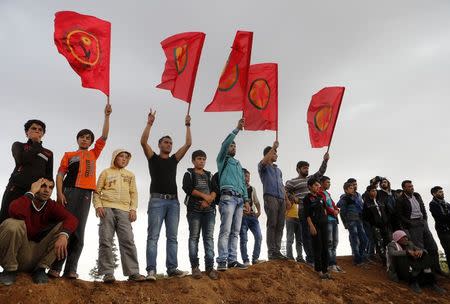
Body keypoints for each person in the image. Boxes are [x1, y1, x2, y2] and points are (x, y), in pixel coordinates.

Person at [49, 104, 111, 279]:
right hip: (68, 192)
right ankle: (55, 267)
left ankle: (71, 269)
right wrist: (59, 193)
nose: (85, 140)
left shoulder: (93, 154)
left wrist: (106, 116)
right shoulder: (69, 154)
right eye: (82, 137)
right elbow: (60, 174)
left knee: (79, 230)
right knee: (64, 228)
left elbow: (104, 136)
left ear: (91, 142)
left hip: (85, 193)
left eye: (88, 138)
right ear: (77, 139)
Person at [141, 109, 191, 280]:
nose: (169, 144)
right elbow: (143, 141)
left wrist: (188, 125)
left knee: (173, 237)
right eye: (166, 142)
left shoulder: (174, 160)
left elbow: (188, 144)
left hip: (173, 203)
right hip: (156, 201)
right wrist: (149, 123)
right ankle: (151, 271)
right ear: (159, 145)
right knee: (153, 236)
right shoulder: (153, 158)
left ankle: (172, 269)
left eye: (170, 143)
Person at [0, 178, 78, 286]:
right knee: (12, 224)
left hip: (36, 257)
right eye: (43, 186)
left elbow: (72, 219)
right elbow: (14, 210)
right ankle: (9, 270)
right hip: (19, 254)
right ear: (34, 186)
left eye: (51, 187)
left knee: (64, 228)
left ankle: (41, 269)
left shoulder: (51, 205)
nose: (47, 190)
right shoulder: (25, 199)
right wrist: (31, 193)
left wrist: (63, 236)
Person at [93, 149, 145, 283]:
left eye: (126, 157)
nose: (124, 159)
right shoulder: (106, 172)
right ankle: (108, 273)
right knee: (105, 240)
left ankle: (133, 272)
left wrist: (133, 209)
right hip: (107, 209)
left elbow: (134, 193)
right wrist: (98, 206)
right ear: (115, 157)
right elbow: (97, 192)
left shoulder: (130, 175)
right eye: (121, 156)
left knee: (128, 240)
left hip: (124, 211)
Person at [0, 120, 53, 224]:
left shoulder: (48, 153)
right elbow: (21, 160)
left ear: (43, 134)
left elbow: (49, 176)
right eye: (34, 128)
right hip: (15, 188)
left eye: (40, 130)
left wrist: (46, 191)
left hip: (35, 193)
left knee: (27, 223)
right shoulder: (19, 145)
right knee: (5, 219)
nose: (37, 131)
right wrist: (36, 144)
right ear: (26, 132)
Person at [216, 118, 250, 271]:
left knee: (236, 231)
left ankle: (232, 259)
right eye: (231, 145)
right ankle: (222, 260)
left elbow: (243, 183)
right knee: (226, 229)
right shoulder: (222, 160)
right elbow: (224, 144)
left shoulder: (238, 164)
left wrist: (247, 200)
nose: (233, 147)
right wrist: (236, 130)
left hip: (239, 199)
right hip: (228, 197)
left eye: (234, 145)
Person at [285, 152, 329, 265]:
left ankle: (317, 258)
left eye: (308, 168)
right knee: (306, 235)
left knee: (317, 234)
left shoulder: (311, 179)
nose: (307, 170)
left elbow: (321, 172)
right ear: (298, 169)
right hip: (303, 209)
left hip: (316, 210)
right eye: (304, 168)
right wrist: (292, 197)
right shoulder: (292, 181)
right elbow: (285, 190)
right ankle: (310, 259)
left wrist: (325, 161)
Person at [182, 150, 218, 280]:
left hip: (209, 211)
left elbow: (215, 189)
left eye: (203, 159)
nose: (201, 161)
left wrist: (209, 199)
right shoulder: (188, 174)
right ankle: (195, 267)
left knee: (208, 238)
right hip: (194, 210)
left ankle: (209, 268)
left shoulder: (209, 175)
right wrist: (204, 197)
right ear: (193, 160)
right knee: (194, 237)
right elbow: (187, 188)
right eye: (199, 159)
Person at [396, 180, 441, 275]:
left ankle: (437, 270)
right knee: (420, 248)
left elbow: (423, 207)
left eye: (412, 186)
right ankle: (424, 273)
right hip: (413, 224)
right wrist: (410, 223)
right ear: (404, 188)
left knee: (432, 246)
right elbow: (399, 215)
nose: (412, 188)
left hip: (423, 222)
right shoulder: (400, 199)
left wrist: (425, 219)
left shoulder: (417, 195)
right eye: (409, 186)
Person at [387, 230, 444, 294]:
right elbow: (392, 253)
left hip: (410, 266)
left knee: (424, 255)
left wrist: (420, 251)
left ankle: (431, 282)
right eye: (403, 237)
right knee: (404, 256)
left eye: (406, 237)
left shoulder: (409, 243)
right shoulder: (392, 245)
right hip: (400, 269)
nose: (406, 239)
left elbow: (422, 250)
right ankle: (413, 282)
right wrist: (407, 252)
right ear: (398, 239)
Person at [258, 141, 286, 260]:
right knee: (272, 223)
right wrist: (273, 147)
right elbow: (263, 161)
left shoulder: (278, 170)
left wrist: (287, 199)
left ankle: (277, 251)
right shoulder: (262, 166)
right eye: (274, 153)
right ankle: (271, 251)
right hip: (270, 196)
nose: (276, 155)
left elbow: (282, 185)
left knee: (280, 225)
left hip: (281, 199)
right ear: (268, 154)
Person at [304, 179, 330, 280]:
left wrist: (326, 219)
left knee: (325, 247)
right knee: (317, 247)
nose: (317, 187)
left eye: (318, 185)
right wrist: (311, 225)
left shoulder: (320, 197)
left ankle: (325, 270)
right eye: (315, 185)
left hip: (324, 224)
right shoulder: (307, 198)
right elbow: (307, 214)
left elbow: (324, 209)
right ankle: (318, 270)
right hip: (315, 225)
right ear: (310, 186)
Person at [337, 182, 368, 266]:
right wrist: (345, 223)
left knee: (365, 240)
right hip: (351, 221)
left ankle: (360, 258)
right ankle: (358, 260)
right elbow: (342, 212)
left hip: (358, 220)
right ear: (346, 190)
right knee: (355, 240)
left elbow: (361, 208)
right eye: (350, 188)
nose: (353, 189)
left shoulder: (355, 197)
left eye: (353, 188)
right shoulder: (344, 199)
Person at [239, 168, 264, 266]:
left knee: (259, 236)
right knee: (244, 239)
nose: (248, 178)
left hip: (253, 216)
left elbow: (256, 201)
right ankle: (246, 260)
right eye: (246, 176)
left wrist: (259, 211)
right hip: (243, 216)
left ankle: (255, 259)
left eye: (249, 176)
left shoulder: (252, 188)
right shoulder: (238, 188)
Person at [362, 184, 390, 265]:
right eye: (373, 190)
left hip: (385, 225)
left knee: (387, 241)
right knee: (379, 243)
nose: (375, 192)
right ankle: (384, 260)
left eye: (375, 190)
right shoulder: (366, 203)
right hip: (375, 226)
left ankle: (390, 259)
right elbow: (365, 216)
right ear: (369, 192)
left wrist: (386, 220)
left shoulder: (381, 200)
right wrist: (373, 222)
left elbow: (387, 211)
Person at [321, 176, 343, 273]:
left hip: (334, 220)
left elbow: (334, 205)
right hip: (328, 220)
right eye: (327, 182)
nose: (329, 184)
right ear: (322, 183)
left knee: (335, 242)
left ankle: (334, 263)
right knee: (329, 242)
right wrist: (333, 211)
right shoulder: (320, 193)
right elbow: (325, 205)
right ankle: (330, 264)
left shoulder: (328, 193)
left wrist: (336, 210)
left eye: (329, 182)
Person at [429, 186, 450, 271]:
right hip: (443, 231)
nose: (442, 193)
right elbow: (440, 217)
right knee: (449, 251)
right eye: (440, 192)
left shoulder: (447, 204)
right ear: (434, 194)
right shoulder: (433, 204)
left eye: (442, 191)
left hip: (448, 229)